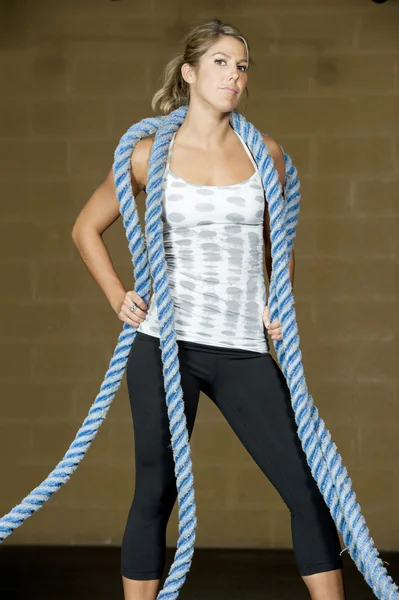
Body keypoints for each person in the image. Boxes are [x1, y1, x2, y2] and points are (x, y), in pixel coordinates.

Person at [71, 19, 346, 600]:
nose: (234, 75)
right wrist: (118, 295)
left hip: (242, 344)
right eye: (221, 63)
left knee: (304, 485)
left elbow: (279, 246)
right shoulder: (149, 155)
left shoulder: (264, 152)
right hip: (164, 344)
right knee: (155, 491)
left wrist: (279, 304)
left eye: (242, 66)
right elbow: (85, 229)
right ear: (191, 73)